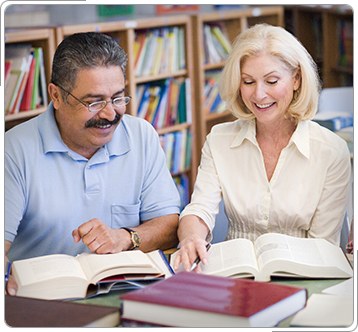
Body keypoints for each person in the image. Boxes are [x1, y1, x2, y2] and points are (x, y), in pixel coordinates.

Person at [5, 32, 180, 294]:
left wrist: (125, 237)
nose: (110, 114)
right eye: (94, 102)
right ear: (56, 96)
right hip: (42, 299)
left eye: (118, 98)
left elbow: (169, 226)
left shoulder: (142, 135)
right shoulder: (12, 150)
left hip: (128, 291)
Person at [173, 23, 351, 272]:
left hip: (303, 277)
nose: (259, 94)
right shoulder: (219, 139)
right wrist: (191, 237)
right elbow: (199, 208)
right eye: (248, 82)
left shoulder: (331, 151)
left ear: (297, 79)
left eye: (272, 81)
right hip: (236, 276)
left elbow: (322, 247)